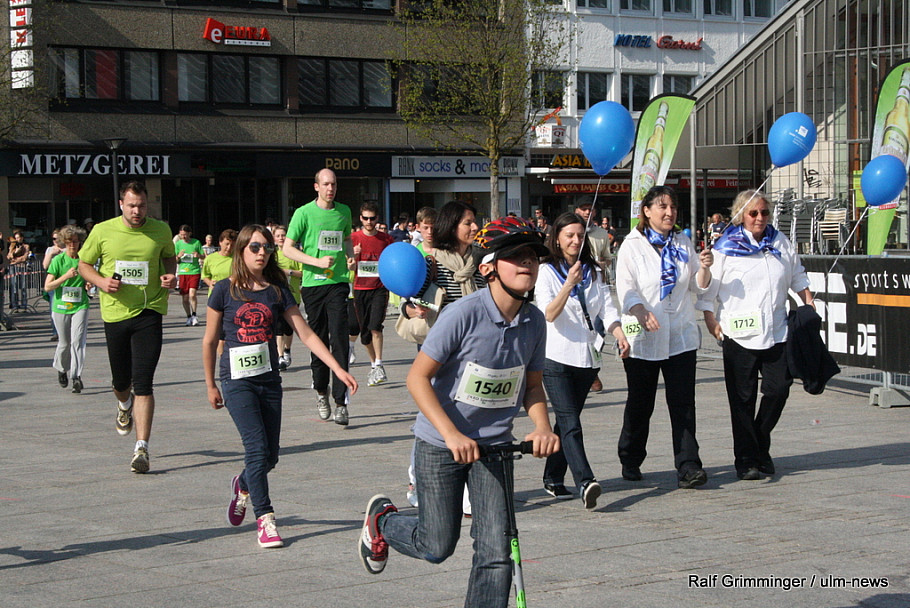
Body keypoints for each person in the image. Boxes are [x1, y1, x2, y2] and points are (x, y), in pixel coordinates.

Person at [359, 217, 560, 608]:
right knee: (436, 545)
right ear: (488, 268)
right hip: (441, 443)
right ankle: (381, 521)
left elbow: (532, 386)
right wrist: (451, 434)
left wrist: (542, 426)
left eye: (533, 256)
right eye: (516, 255)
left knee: (497, 550)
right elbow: (417, 378)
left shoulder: (534, 321)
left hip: (495, 447)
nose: (527, 263)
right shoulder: (463, 314)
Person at [204, 224, 357, 549]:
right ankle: (265, 518)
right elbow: (209, 340)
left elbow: (306, 334)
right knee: (256, 449)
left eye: (267, 248)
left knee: (270, 457)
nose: (262, 253)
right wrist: (210, 384)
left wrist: (337, 369)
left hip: (269, 381)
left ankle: (243, 484)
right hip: (236, 382)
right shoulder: (223, 290)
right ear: (241, 250)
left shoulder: (276, 290)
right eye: (255, 247)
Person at [697, 190, 814, 480]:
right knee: (742, 399)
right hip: (738, 333)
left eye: (764, 212)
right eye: (753, 213)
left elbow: (797, 274)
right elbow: (708, 291)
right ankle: (747, 459)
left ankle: (760, 440)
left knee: (778, 389)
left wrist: (808, 302)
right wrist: (710, 320)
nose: (760, 218)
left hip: (776, 331)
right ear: (740, 215)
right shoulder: (725, 246)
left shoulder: (779, 241)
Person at [614, 185, 713, 489]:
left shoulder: (682, 242)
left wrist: (704, 268)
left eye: (673, 207)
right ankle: (630, 456)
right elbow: (626, 287)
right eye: (662, 207)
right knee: (641, 403)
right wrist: (640, 310)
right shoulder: (632, 246)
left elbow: (697, 286)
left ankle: (688, 465)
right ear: (646, 211)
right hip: (644, 336)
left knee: (683, 403)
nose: (669, 213)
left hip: (680, 335)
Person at [78, 180, 177, 473]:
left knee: (144, 381)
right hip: (115, 313)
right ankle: (124, 405)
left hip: (150, 310)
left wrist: (171, 276)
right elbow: (84, 264)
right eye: (132, 205)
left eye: (142, 205)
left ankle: (141, 448)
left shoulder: (161, 230)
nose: (137, 211)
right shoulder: (102, 231)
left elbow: (169, 258)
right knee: (122, 382)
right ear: (121, 204)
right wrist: (100, 281)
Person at [536, 212, 630, 508]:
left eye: (580, 235)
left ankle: (553, 477)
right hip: (556, 357)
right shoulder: (546, 271)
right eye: (569, 236)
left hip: (587, 356)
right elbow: (549, 313)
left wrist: (619, 332)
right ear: (557, 239)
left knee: (567, 423)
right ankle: (586, 481)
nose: (575, 241)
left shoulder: (594, 271)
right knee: (570, 422)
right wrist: (568, 284)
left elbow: (607, 308)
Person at [281, 168, 355, 426]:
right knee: (319, 340)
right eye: (325, 184)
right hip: (313, 284)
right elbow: (287, 249)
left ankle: (341, 402)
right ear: (316, 187)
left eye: (333, 184)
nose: (330, 189)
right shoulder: (303, 213)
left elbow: (346, 239)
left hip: (338, 283)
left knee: (340, 339)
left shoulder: (344, 211)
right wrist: (316, 262)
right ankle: (321, 391)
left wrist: (350, 255)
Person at [351, 202, 394, 386]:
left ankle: (379, 363)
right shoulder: (353, 238)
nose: (369, 222)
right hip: (360, 288)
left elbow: (393, 261)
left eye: (372, 218)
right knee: (365, 334)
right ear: (360, 218)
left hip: (379, 288)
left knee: (375, 326)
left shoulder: (386, 239)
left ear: (377, 219)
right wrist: (354, 256)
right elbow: (347, 266)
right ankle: (373, 365)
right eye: (365, 218)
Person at [45, 225, 90, 394]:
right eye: (70, 241)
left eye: (76, 242)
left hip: (80, 305)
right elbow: (48, 286)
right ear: (64, 242)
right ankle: (61, 368)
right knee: (64, 343)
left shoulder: (84, 260)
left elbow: (89, 278)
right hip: (61, 306)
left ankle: (76, 376)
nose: (73, 245)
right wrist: (65, 276)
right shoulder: (58, 260)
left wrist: (88, 283)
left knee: (78, 341)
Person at [575, 199, 613, 392]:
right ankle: (579, 370)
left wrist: (602, 263)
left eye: (590, 209)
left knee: (598, 331)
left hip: (597, 286)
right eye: (584, 209)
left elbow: (608, 257)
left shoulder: (601, 234)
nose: (587, 212)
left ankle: (592, 371)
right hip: (574, 289)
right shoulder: (569, 231)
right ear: (577, 210)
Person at [273, 225, 304, 371]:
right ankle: (279, 356)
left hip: (292, 294)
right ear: (274, 238)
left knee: (288, 328)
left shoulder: (294, 253)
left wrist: (288, 272)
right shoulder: (272, 254)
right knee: (278, 326)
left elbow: (302, 273)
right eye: (278, 236)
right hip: (276, 294)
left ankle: (287, 350)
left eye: (283, 235)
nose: (281, 238)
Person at [174, 224, 205, 326]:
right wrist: (178, 256)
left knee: (192, 294)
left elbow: (203, 256)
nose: (183, 237)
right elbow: (175, 259)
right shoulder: (178, 244)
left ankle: (194, 315)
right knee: (185, 298)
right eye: (181, 235)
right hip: (183, 272)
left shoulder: (196, 242)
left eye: (185, 234)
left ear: (189, 233)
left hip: (194, 271)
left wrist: (198, 255)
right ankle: (188, 316)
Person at [43, 228, 66, 340]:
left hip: (66, 282)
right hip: (53, 282)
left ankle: (65, 331)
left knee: (66, 307)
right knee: (54, 307)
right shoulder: (50, 249)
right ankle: (56, 332)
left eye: (57, 238)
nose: (55, 241)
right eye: (53, 239)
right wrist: (51, 254)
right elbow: (45, 265)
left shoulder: (67, 249)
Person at [7, 230, 31, 313]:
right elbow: (9, 257)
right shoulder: (12, 246)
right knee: (14, 286)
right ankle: (14, 305)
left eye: (18, 238)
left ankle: (24, 305)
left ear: (22, 238)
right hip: (13, 268)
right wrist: (15, 252)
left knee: (23, 286)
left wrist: (14, 260)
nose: (17, 239)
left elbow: (24, 258)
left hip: (22, 267)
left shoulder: (26, 246)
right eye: (16, 238)